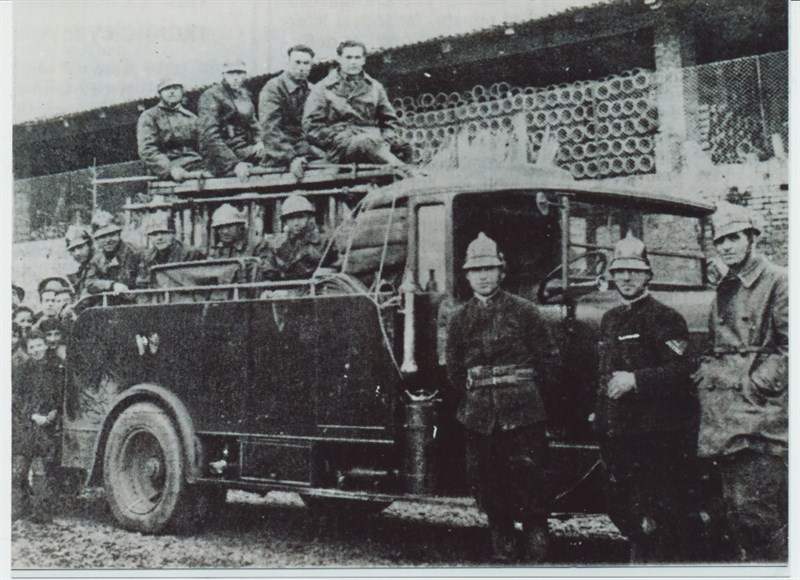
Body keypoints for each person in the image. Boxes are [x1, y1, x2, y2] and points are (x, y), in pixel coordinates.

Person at [445, 233, 553, 563]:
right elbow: (453, 371)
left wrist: (531, 399)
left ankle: (538, 549)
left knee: (530, 483)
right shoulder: (459, 319)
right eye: (476, 270)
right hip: (479, 417)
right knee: (489, 487)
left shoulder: (526, 312)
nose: (483, 276)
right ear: (467, 276)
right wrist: (475, 401)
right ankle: (503, 550)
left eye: (490, 269)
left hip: (523, 413)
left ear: (501, 272)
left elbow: (549, 360)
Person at [593, 233, 699, 563]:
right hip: (619, 433)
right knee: (623, 507)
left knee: (652, 514)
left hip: (654, 436)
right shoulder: (610, 319)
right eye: (619, 271)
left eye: (634, 271)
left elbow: (682, 370)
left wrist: (636, 380)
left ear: (647, 275)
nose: (626, 277)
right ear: (611, 275)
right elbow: (604, 374)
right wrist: (598, 414)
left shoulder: (665, 318)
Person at [694, 202, 787, 562]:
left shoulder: (780, 281)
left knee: (758, 516)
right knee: (737, 512)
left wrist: (756, 383)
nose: (726, 247)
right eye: (720, 242)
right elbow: (715, 345)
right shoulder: (726, 286)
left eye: (733, 238)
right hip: (726, 418)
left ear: (752, 238)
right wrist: (706, 372)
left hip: (761, 418)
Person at [302, 40, 411, 169]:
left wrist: (387, 138)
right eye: (348, 57)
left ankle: (405, 184)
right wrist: (337, 138)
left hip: (374, 140)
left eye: (357, 57)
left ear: (364, 60)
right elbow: (311, 127)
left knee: (405, 146)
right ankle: (406, 171)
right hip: (339, 148)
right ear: (339, 59)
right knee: (365, 141)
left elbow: (390, 121)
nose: (353, 62)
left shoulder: (375, 87)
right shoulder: (323, 88)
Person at [12, 329, 64, 523]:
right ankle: (20, 507)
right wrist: (32, 415)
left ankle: (43, 510)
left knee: (44, 467)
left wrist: (52, 414)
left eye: (38, 345)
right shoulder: (23, 369)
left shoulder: (56, 366)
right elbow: (17, 397)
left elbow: (61, 394)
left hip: (51, 423)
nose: (35, 350)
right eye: (31, 347)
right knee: (22, 466)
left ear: (45, 345)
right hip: (28, 423)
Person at [259, 45, 323, 180]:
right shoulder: (273, 88)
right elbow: (270, 130)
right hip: (280, 156)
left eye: (306, 63)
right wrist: (291, 158)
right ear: (287, 63)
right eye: (297, 62)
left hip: (307, 149)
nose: (301, 67)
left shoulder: (313, 90)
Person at [198, 60, 265, 180]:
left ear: (245, 75)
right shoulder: (211, 96)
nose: (235, 78)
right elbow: (209, 136)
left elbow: (254, 125)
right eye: (231, 73)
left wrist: (260, 142)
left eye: (239, 74)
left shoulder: (244, 96)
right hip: (222, 154)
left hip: (245, 149)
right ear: (223, 74)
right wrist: (234, 163)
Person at [137, 77, 207, 182]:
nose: (172, 92)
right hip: (169, 167)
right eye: (167, 89)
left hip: (195, 163)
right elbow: (147, 150)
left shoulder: (191, 117)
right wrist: (171, 169)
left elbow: (204, 145)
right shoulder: (150, 116)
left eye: (176, 88)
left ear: (182, 91)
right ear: (160, 93)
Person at [261, 194, 336, 281]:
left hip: (317, 289)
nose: (296, 223)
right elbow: (269, 270)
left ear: (309, 217)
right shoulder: (276, 244)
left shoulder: (324, 241)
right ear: (285, 221)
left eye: (300, 217)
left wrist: (328, 271)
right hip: (285, 290)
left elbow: (339, 264)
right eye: (291, 218)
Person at [137, 211, 205, 288]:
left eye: (164, 233)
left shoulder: (190, 253)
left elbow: (200, 285)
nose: (159, 238)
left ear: (173, 233)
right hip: (157, 298)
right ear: (149, 237)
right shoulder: (147, 256)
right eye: (154, 234)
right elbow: (142, 284)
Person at [85, 210, 144, 294]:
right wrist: (112, 285)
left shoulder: (135, 252)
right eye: (103, 237)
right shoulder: (97, 259)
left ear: (119, 234)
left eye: (112, 235)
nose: (108, 240)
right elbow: (89, 283)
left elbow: (144, 282)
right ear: (97, 239)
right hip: (110, 302)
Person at [64, 225, 94, 299]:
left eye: (80, 247)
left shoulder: (97, 263)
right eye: (72, 250)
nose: (77, 253)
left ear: (89, 245)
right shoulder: (82, 268)